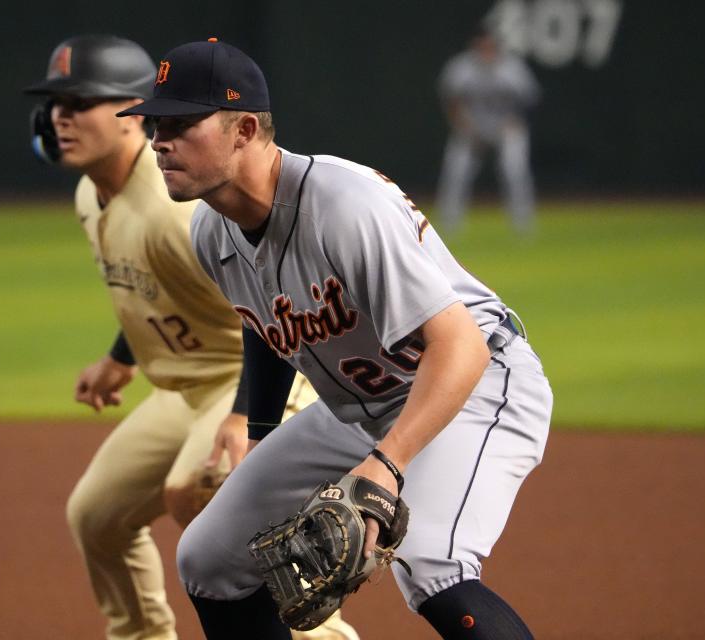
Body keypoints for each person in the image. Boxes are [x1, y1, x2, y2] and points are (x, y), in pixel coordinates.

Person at [118, 38, 553, 639]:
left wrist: (388, 463)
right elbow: (266, 327)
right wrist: (261, 439)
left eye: (181, 123)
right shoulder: (210, 232)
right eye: (154, 123)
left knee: (431, 566)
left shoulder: (343, 204)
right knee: (209, 559)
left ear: (245, 128)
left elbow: (461, 346)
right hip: (360, 406)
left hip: (476, 383)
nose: (158, 140)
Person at [23, 34, 358, 640]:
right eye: (54, 105)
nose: (58, 117)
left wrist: (241, 418)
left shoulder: (175, 210)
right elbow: (157, 289)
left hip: (255, 380)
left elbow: (264, 312)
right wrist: (119, 357)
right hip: (183, 392)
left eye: (78, 103)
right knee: (96, 516)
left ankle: (322, 637)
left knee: (195, 490)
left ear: (131, 118)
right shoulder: (90, 195)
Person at [436, 26, 541, 234]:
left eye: (490, 46)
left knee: (514, 170)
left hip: (506, 128)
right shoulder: (461, 67)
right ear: (474, 46)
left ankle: (523, 224)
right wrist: (463, 126)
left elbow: (530, 101)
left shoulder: (512, 68)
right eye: (481, 46)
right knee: (456, 171)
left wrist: (514, 123)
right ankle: (449, 224)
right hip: (471, 128)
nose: (486, 50)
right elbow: (451, 100)